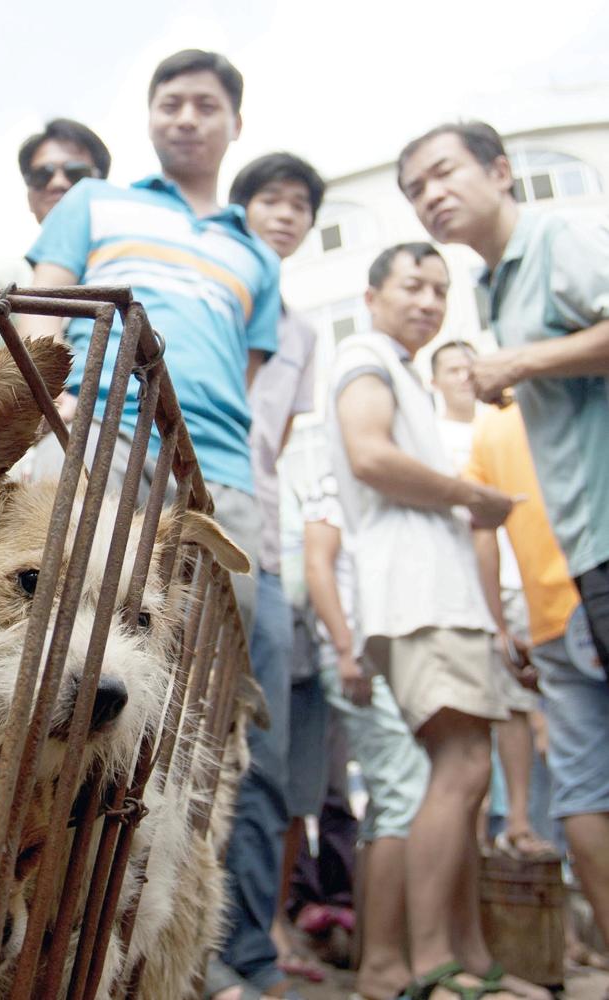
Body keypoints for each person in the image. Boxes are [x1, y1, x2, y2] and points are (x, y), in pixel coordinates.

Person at [18, 49, 281, 999]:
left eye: (205, 104)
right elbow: (46, 310)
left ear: (232, 124)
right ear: (151, 115)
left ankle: (157, 943)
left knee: (205, 705)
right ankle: (32, 917)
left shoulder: (257, 254)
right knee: (58, 663)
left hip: (217, 477)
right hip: (97, 434)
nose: (185, 116)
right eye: (169, 101)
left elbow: (245, 381)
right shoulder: (94, 202)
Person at [328, 242, 543, 1000]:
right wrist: (470, 495)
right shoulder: (364, 353)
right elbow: (368, 455)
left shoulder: (401, 370)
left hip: (439, 599)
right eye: (413, 285)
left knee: (467, 776)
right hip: (417, 596)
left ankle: (469, 960)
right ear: (373, 293)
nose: (428, 300)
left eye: (440, 289)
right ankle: (430, 967)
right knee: (459, 769)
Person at [398, 120, 609, 669]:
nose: (431, 195)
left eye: (443, 173)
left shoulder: (556, 239)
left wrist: (519, 362)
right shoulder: (496, 285)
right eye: (416, 190)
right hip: (587, 545)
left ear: (499, 171)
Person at [228, 151, 325, 985]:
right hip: (182, 520)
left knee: (261, 757)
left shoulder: (303, 332)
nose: (285, 214)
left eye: (300, 205)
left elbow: (276, 445)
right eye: (270, 199)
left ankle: (246, 960)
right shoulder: (206, 288)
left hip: (260, 540)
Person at [465, 402, 609, 962]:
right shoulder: (582, 388)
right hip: (592, 588)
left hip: (548, 616)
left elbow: (483, 532)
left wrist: (501, 627)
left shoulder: (492, 430)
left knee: (584, 791)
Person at [300, 454, 430, 1000]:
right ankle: (380, 967)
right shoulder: (333, 478)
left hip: (385, 655)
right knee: (403, 791)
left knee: (390, 799)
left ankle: (380, 958)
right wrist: (349, 649)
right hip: (355, 657)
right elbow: (318, 564)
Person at [432, 339, 556, 862]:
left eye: (469, 365)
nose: (463, 375)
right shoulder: (433, 438)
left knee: (524, 708)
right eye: (450, 368)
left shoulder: (515, 425)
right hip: (458, 588)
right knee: (471, 710)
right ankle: (476, 832)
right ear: (434, 382)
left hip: (525, 578)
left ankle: (522, 821)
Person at [0, 118, 109, 378]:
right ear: (29, 197)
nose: (58, 183)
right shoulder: (6, 274)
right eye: (41, 175)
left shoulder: (119, 273)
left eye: (77, 173)